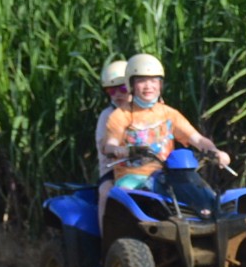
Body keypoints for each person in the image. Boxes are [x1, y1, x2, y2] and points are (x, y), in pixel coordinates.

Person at [98, 52, 229, 219]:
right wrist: (119, 150)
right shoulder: (120, 115)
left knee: (202, 192)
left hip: (167, 174)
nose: (148, 86)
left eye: (154, 81)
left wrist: (215, 152)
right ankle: (116, 241)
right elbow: (109, 144)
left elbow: (196, 138)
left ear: (160, 84)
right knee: (124, 199)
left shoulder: (168, 113)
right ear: (131, 84)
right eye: (141, 81)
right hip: (133, 176)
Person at [91, 58, 130, 179]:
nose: (118, 94)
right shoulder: (107, 115)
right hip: (114, 170)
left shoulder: (144, 112)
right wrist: (115, 150)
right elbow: (104, 145)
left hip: (145, 169)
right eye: (112, 90)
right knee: (106, 191)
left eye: (123, 89)